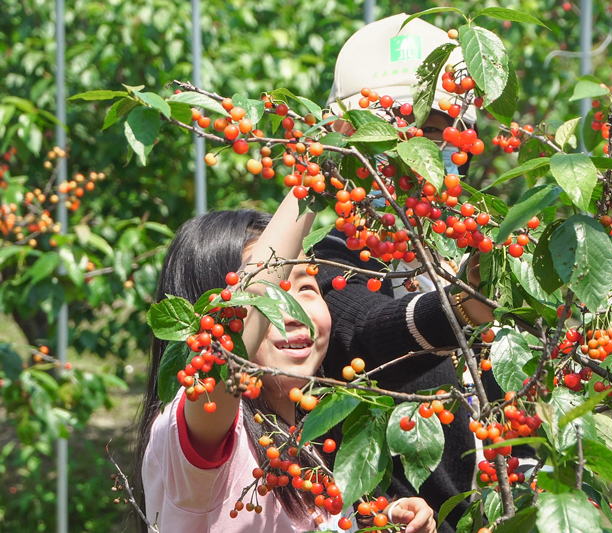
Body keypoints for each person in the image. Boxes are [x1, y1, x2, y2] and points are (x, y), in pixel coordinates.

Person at [132, 194, 437, 533]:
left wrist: (381, 519)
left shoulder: (310, 442)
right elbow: (231, 347)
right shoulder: (201, 434)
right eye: (276, 292)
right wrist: (309, 178)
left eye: (306, 287)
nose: (293, 314)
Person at [314, 13, 507, 533]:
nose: (416, 152)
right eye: (396, 132)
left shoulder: (461, 251)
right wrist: (467, 303)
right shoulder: (328, 261)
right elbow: (366, 333)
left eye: (437, 134)